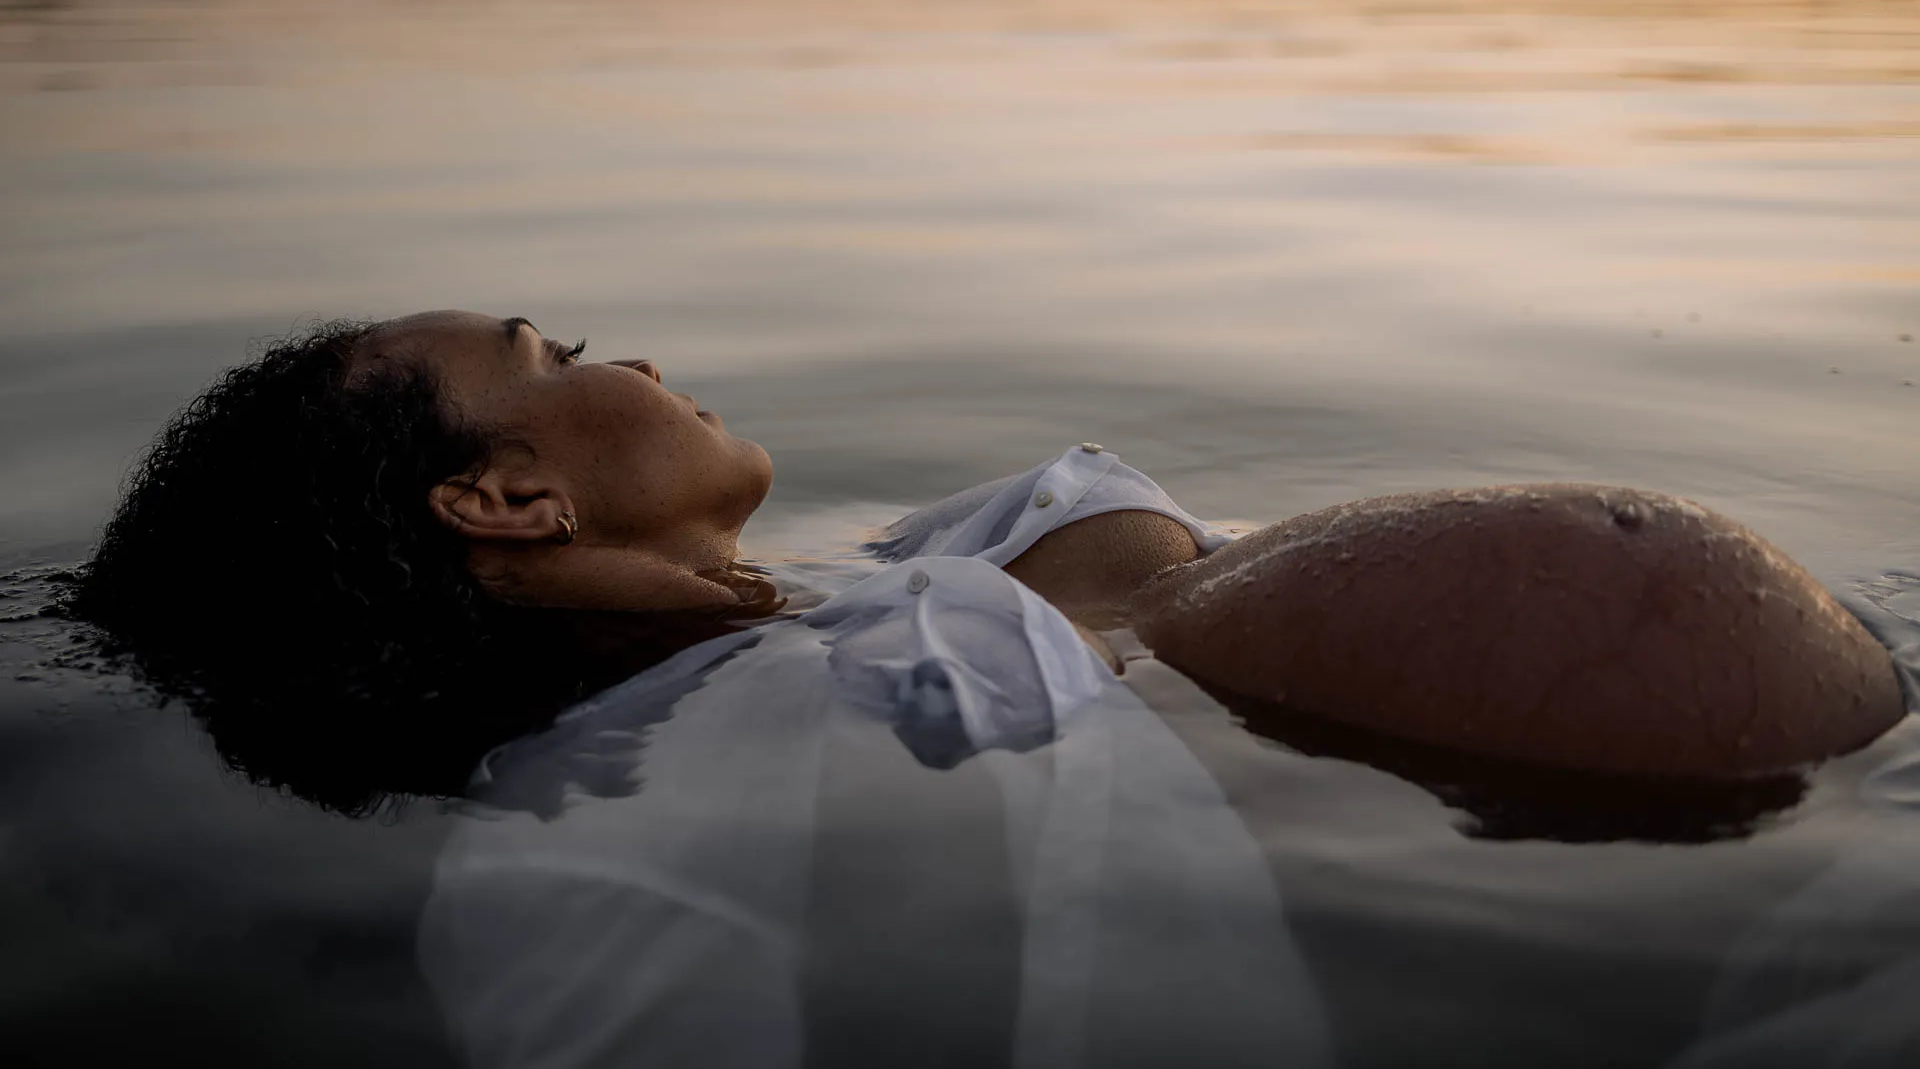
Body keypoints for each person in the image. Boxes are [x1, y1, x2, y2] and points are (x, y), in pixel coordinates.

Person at [65, 309, 1910, 1066]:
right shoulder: (603, 832)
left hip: (1735, 877)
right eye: (549, 350)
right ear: (508, 499)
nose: (624, 348)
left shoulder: (853, 580)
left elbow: (1116, 560)